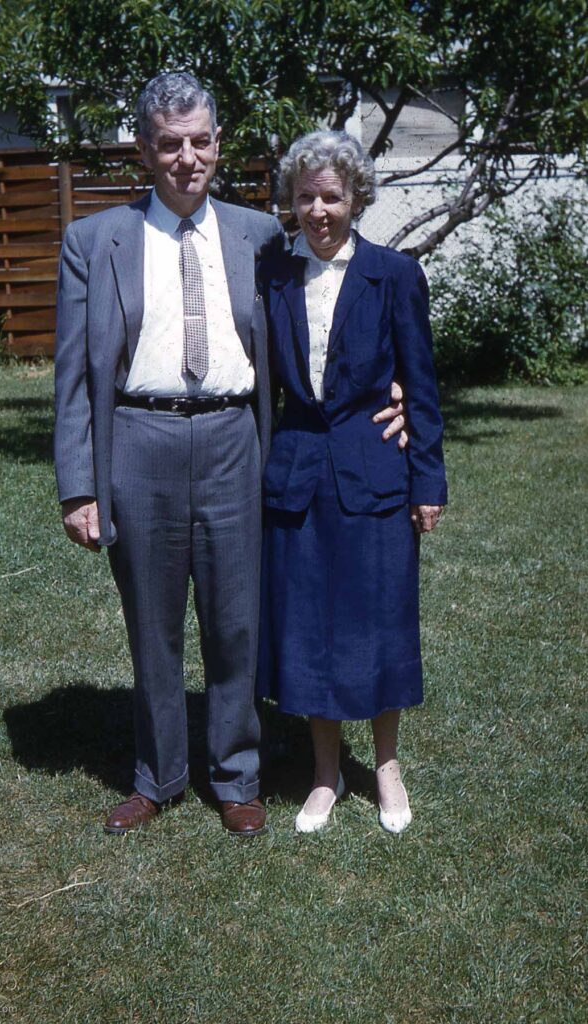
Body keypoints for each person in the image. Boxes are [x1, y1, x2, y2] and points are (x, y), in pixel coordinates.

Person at [54, 72, 409, 837]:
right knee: (151, 622)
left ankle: (237, 774)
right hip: (138, 442)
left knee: (236, 620)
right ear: (144, 149)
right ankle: (156, 776)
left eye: (202, 141)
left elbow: (327, 314)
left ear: (219, 144)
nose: (188, 158)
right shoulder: (94, 241)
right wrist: (78, 486)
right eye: (171, 144)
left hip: (235, 444)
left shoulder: (261, 237)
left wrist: (396, 391)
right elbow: (74, 375)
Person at [257, 130, 447, 835]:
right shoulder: (273, 273)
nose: (318, 210)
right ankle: (325, 773)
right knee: (307, 626)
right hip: (298, 475)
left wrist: (428, 480)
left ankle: (388, 766)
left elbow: (420, 388)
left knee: (381, 619)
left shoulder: (394, 275)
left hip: (375, 473)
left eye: (331, 196)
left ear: (357, 197)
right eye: (305, 197)